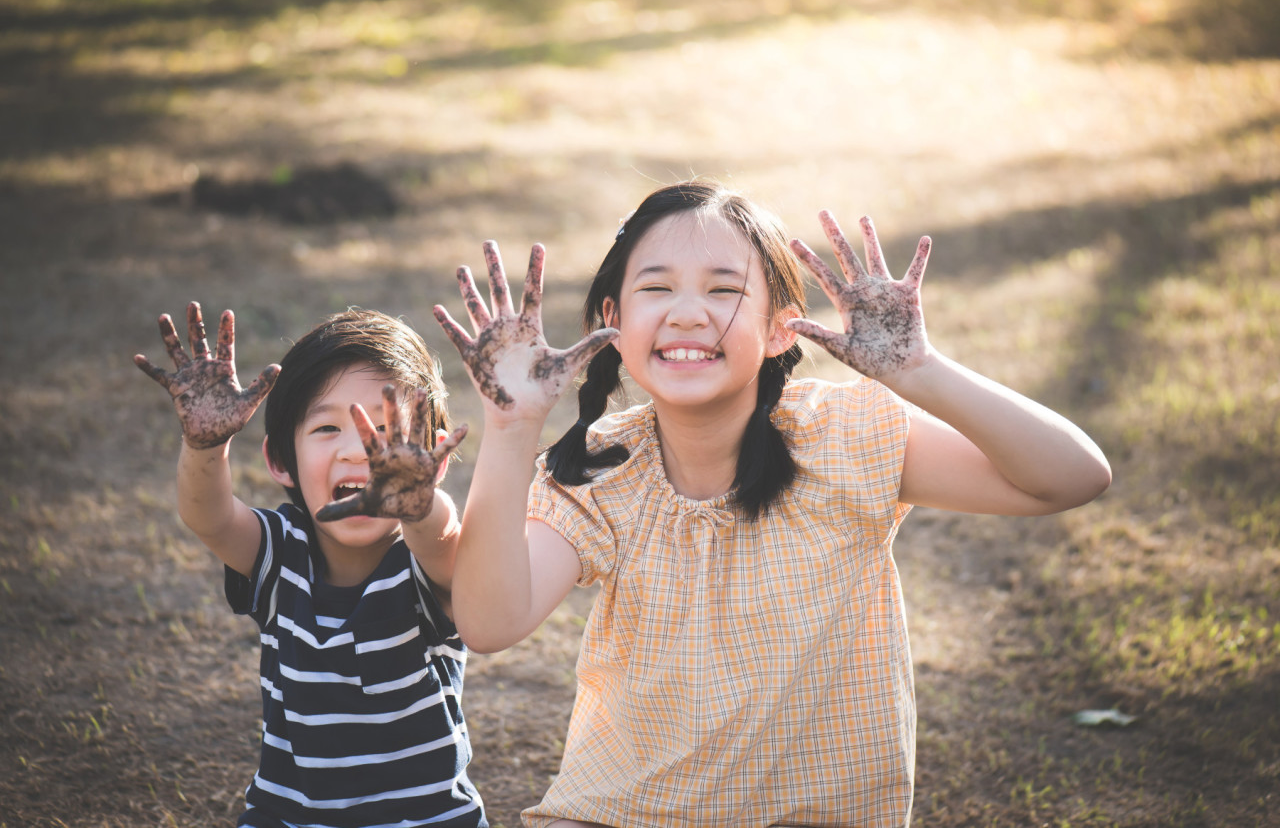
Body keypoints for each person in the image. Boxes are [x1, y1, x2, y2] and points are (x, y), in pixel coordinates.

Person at [433, 179, 1112, 828]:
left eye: (724, 289)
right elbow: (491, 624)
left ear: (783, 328)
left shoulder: (845, 438)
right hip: (622, 809)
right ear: (613, 321)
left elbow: (1073, 476)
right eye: (656, 287)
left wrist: (920, 372)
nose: (688, 312)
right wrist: (511, 427)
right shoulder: (602, 468)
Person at [135, 304, 487, 828]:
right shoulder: (281, 553)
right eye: (326, 428)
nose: (358, 450)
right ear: (281, 461)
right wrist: (206, 445)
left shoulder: (423, 561)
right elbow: (207, 517)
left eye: (387, 429)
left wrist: (423, 505)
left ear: (433, 456)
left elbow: (444, 543)